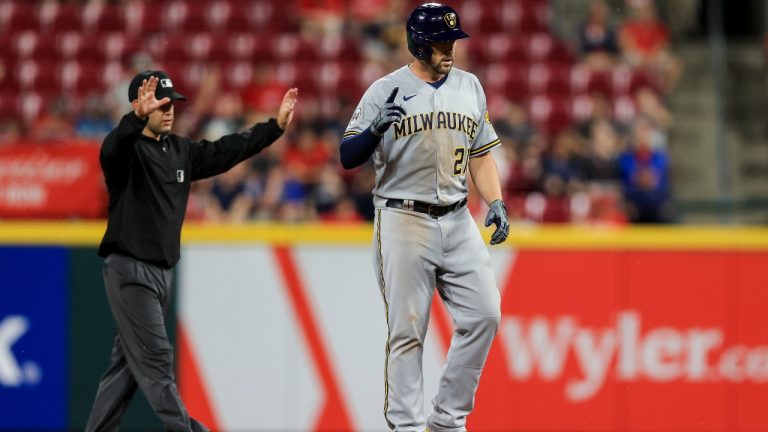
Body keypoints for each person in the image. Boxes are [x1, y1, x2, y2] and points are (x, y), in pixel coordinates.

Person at [86, 70, 297, 431]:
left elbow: (226, 150)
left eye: (173, 103)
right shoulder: (128, 152)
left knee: (127, 370)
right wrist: (134, 119)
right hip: (130, 271)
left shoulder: (179, 150)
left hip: (162, 274)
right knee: (157, 359)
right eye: (160, 103)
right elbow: (112, 147)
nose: (169, 110)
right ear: (140, 104)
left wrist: (273, 128)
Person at [339, 4, 509, 431]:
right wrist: (373, 130)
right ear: (417, 43)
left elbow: (482, 155)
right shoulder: (384, 89)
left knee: (484, 314)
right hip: (404, 218)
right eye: (439, 42)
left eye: (451, 40)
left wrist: (495, 201)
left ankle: (447, 420)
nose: (448, 48)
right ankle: (407, 427)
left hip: (456, 217)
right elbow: (347, 156)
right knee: (407, 333)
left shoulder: (470, 86)